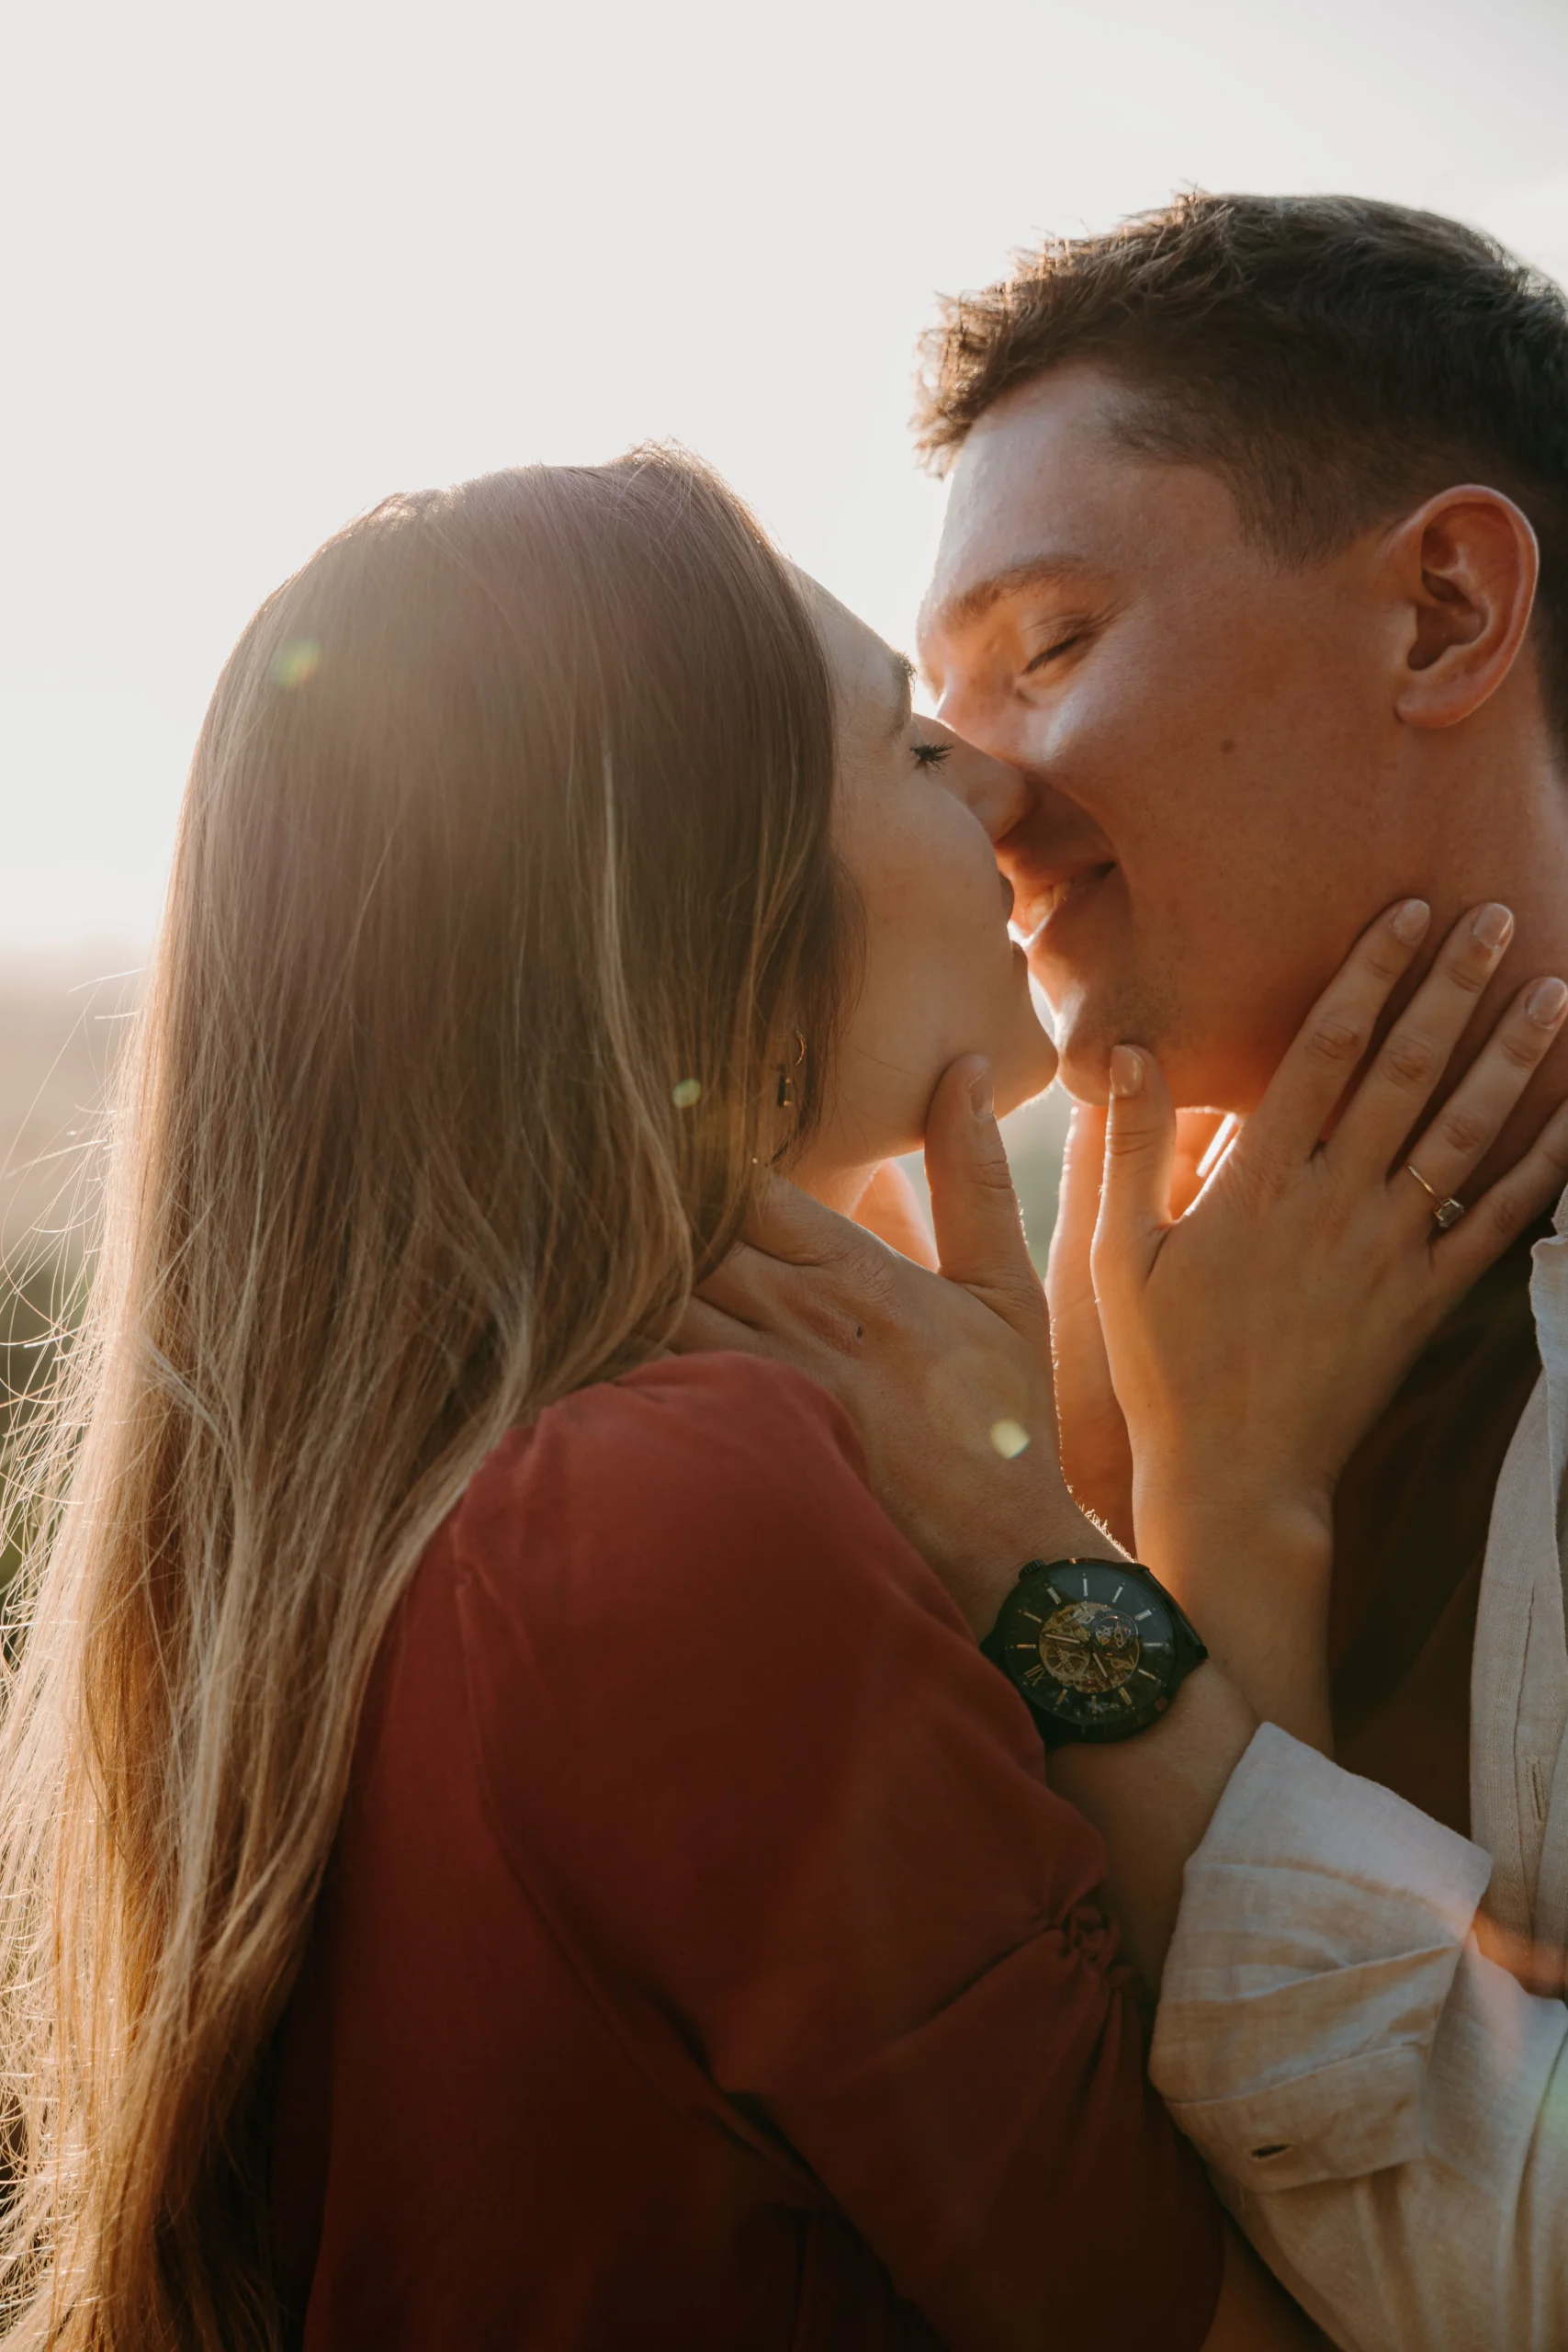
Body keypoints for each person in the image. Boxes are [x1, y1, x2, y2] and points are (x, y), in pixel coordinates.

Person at [0, 448, 1352, 2352]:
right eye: (908, 746)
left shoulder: (448, 1506)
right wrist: (1227, 1493)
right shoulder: (672, 1510)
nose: (1007, 784)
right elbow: (1270, 2295)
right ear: (695, 913)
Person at [691, 194, 1568, 2349]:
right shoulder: (1014, 1308)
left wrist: (1064, 1564)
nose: (976, 788)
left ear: (1445, 608)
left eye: (1055, 643)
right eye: (934, 714)